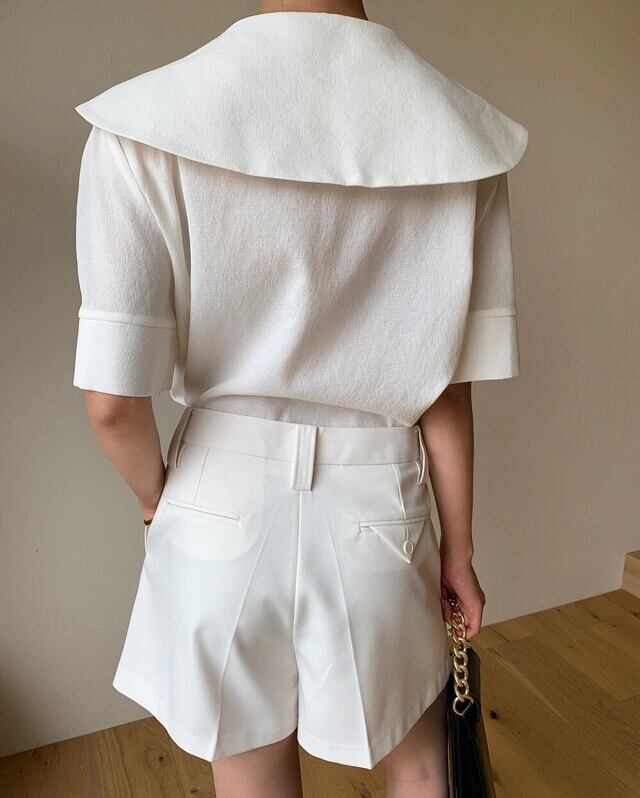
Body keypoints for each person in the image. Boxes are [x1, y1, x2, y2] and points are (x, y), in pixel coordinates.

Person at [71, 0, 528, 795]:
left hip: (215, 498)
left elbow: (112, 403)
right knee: (421, 765)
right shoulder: (460, 136)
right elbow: (445, 393)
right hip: (381, 502)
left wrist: (155, 502)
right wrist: (458, 554)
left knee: (249, 770)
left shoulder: (142, 126)